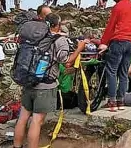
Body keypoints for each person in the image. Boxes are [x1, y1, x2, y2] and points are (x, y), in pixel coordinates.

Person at [13, 12, 86, 148]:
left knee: (23, 118)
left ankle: (16, 146)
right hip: (45, 86)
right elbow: (67, 63)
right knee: (37, 121)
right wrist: (79, 48)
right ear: (57, 25)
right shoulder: (59, 40)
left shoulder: (35, 37)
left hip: (28, 81)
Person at [98, 0, 131, 112]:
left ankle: (112, 102)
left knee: (112, 71)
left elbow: (111, 26)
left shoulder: (118, 7)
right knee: (123, 73)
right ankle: (121, 101)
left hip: (119, 41)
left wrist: (104, 43)